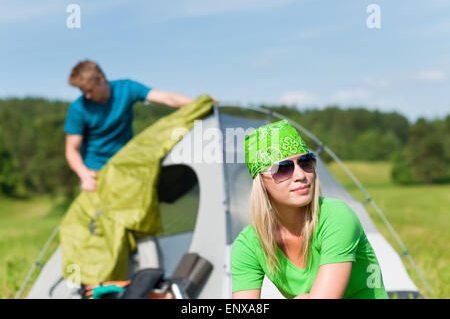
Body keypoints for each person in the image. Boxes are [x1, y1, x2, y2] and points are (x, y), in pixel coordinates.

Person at [231, 119, 388, 299]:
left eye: (305, 162)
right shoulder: (248, 244)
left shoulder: (336, 216)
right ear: (261, 182)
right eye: (283, 169)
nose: (300, 175)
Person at [64, 60, 194, 192]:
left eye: (90, 90)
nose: (87, 95)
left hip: (127, 164)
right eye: (83, 91)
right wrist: (84, 174)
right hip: (96, 170)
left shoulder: (126, 88)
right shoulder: (78, 108)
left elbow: (166, 98)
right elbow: (72, 149)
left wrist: (199, 103)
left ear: (101, 79)